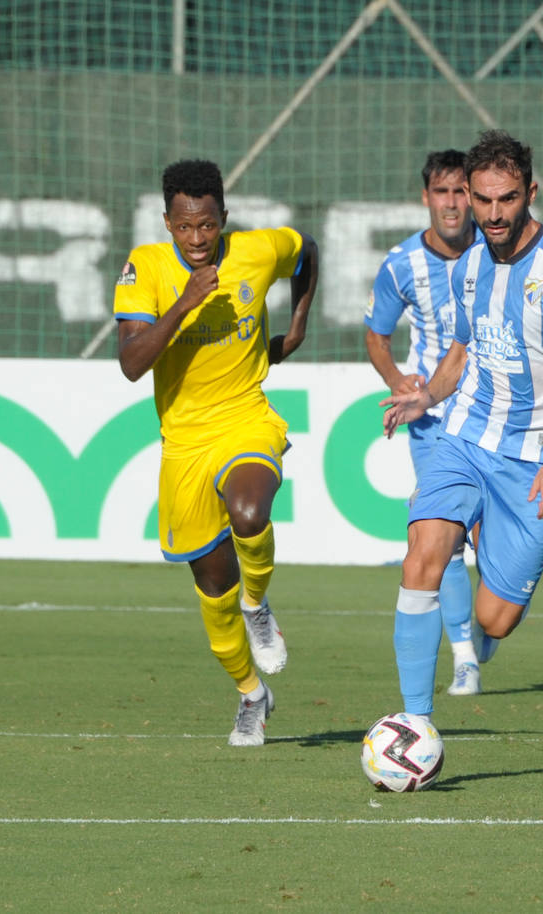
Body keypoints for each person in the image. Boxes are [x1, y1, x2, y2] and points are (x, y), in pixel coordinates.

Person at [381, 130, 543, 727]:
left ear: (530, 193)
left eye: (505, 199)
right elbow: (461, 350)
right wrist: (425, 396)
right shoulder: (469, 265)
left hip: (530, 459)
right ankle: (415, 723)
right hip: (462, 437)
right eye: (481, 200)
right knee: (422, 559)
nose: (491, 214)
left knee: (494, 620)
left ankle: (489, 548)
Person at [113, 159, 318, 747]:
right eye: (184, 227)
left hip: (246, 417)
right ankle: (252, 695)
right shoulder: (145, 267)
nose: (197, 239)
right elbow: (131, 364)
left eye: (207, 225)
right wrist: (183, 304)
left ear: (223, 218)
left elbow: (308, 252)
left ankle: (260, 605)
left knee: (251, 514)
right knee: (212, 592)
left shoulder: (258, 251)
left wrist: (297, 324)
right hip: (184, 443)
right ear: (167, 223)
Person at [364, 149, 487, 698]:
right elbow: (377, 335)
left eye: (462, 191)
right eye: (443, 192)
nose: (453, 203)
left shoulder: (496, 251)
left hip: (493, 412)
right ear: (426, 198)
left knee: (493, 549)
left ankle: (488, 625)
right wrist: (400, 383)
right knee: (443, 535)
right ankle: (464, 657)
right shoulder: (400, 264)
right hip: (434, 418)